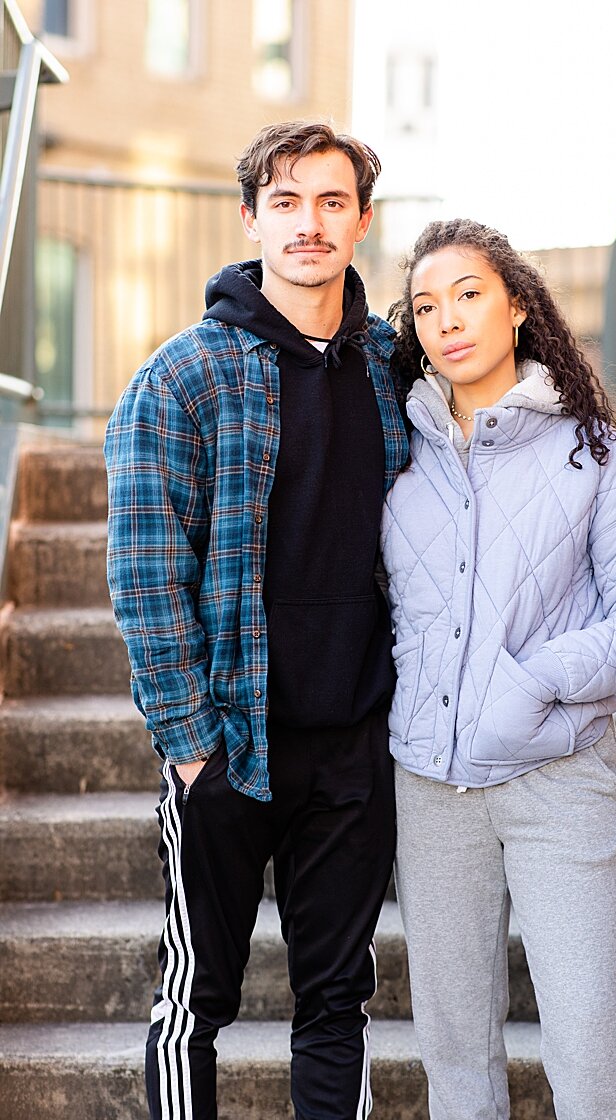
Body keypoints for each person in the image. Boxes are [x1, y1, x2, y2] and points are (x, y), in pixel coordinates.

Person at [105, 121, 408, 1119]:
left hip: (354, 749)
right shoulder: (183, 377)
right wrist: (193, 751)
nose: (308, 224)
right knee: (198, 1000)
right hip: (227, 743)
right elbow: (145, 578)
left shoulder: (389, 372)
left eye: (331, 202)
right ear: (251, 218)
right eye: (286, 202)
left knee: (335, 1005)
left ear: (361, 221)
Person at [380, 218, 616, 1120]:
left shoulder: (594, 452)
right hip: (429, 787)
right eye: (426, 307)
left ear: (516, 307)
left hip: (561, 778)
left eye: (469, 294)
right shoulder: (397, 456)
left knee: (590, 1033)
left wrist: (535, 679)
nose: (448, 320)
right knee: (453, 1046)